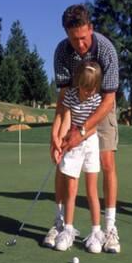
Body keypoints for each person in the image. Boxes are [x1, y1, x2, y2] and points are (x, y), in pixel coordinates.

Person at [43, 4, 121, 253]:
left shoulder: (106, 49)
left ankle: (108, 229)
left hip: (102, 107)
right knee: (63, 163)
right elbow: (64, 97)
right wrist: (55, 135)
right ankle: (60, 223)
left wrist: (83, 131)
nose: (80, 45)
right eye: (74, 39)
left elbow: (108, 99)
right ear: (66, 33)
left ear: (91, 28)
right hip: (73, 109)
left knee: (106, 163)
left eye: (84, 38)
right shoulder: (62, 52)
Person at [52, 61, 105, 253]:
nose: (86, 93)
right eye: (83, 87)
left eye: (90, 89)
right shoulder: (71, 96)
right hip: (72, 143)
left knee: (92, 189)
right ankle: (68, 230)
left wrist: (77, 138)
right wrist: (60, 141)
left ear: (96, 87)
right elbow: (66, 119)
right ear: (77, 83)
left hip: (90, 142)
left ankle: (96, 233)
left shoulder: (97, 99)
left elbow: (93, 127)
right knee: (71, 188)